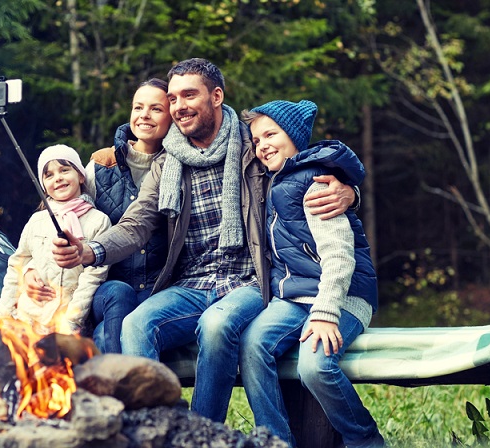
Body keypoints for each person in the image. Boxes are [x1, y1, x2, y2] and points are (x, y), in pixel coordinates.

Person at [51, 58, 357, 423]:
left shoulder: (251, 146)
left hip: (250, 280)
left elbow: (304, 164)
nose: (179, 106)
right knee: (135, 324)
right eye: (174, 98)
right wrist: (89, 250)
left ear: (216, 96)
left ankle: (202, 431)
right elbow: (137, 223)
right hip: (193, 282)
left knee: (215, 326)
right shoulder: (168, 163)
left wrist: (350, 189)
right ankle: (159, 428)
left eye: (189, 95)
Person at [239, 100, 383, 447]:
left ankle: (365, 440)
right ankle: (275, 441)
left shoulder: (317, 184)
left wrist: (324, 314)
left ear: (294, 136)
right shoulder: (276, 181)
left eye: (271, 134)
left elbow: (339, 257)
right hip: (294, 298)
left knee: (314, 367)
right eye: (256, 140)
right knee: (252, 345)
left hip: (341, 298)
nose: (262, 146)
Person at [21, 79, 171, 352]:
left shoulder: (178, 167)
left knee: (105, 337)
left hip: (158, 288)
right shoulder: (102, 164)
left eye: (156, 109)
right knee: (117, 295)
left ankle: (118, 388)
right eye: (138, 107)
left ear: (172, 115)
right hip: (105, 288)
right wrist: (29, 270)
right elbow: (59, 213)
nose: (144, 115)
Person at [0, 144, 111, 335]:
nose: (58, 178)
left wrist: (71, 321)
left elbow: (94, 276)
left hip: (65, 323)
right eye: (49, 175)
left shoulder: (99, 221)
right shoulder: (37, 220)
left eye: (65, 170)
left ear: (80, 176)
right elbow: (17, 264)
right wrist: (5, 315)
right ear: (44, 187)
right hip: (27, 318)